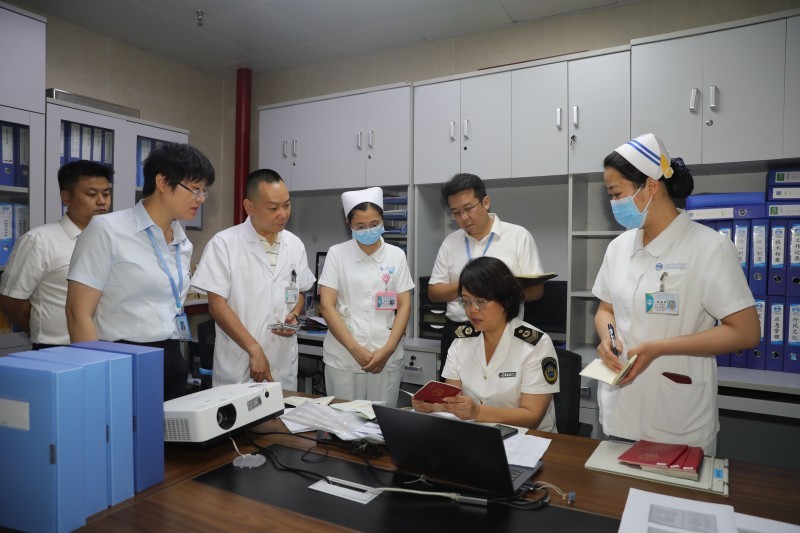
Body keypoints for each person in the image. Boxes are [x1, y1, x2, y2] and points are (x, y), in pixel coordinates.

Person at [592, 133, 760, 454]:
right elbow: (605, 309)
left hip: (677, 417)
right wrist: (608, 339)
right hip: (618, 408)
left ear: (651, 186)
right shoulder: (619, 247)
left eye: (616, 193)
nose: (613, 203)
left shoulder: (709, 247)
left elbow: (746, 332)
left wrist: (658, 348)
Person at [66, 143, 215, 401]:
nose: (200, 199)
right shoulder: (107, 230)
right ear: (163, 182)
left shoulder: (183, 243)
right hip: (120, 357)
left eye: (204, 192)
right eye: (195, 189)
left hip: (170, 357)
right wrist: (97, 376)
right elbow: (77, 314)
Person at [191, 169, 314, 389]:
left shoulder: (295, 244)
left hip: (282, 361)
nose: (283, 214)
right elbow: (217, 306)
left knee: (282, 410)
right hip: (239, 362)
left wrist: (294, 315)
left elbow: (300, 292)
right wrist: (253, 349)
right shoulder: (224, 244)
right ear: (250, 207)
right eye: (273, 208)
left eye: (287, 205)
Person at [413, 256, 559, 431]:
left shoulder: (536, 345)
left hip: (528, 439)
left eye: (481, 302)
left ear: (506, 300)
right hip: (477, 434)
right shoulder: (461, 341)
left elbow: (532, 417)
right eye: (466, 301)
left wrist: (477, 412)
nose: (472, 310)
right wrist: (431, 405)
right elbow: (452, 400)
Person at [428, 173, 545, 375]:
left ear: (486, 202)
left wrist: (499, 293)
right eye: (456, 213)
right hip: (459, 332)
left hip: (504, 332)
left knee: (504, 390)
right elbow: (434, 293)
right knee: (453, 391)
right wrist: (469, 285)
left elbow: (536, 290)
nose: (464, 218)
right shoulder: (450, 243)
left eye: (468, 209)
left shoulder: (518, 236)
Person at [0, 160, 112, 349]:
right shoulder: (39, 241)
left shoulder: (111, 240)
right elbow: (12, 301)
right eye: (92, 194)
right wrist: (38, 331)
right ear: (66, 198)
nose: (102, 201)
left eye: (106, 194)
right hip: (57, 348)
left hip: (108, 347)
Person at [319, 187, 414, 407]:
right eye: (360, 226)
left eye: (374, 224)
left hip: (386, 353)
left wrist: (388, 349)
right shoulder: (337, 253)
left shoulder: (396, 255)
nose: (368, 230)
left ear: (382, 220)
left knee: (381, 419)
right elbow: (326, 306)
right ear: (349, 224)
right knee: (343, 419)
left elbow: (404, 305)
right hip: (344, 354)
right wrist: (355, 349)